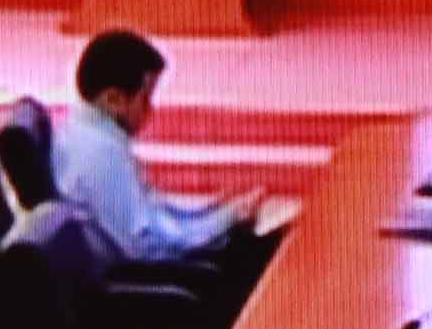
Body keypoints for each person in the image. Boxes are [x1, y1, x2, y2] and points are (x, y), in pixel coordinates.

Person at [56, 29, 273, 279]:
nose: (150, 110)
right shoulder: (100, 154)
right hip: (135, 278)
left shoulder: (87, 132)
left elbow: (152, 213)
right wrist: (225, 219)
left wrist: (212, 210)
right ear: (113, 99)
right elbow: (145, 244)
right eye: (145, 99)